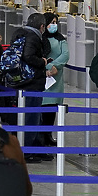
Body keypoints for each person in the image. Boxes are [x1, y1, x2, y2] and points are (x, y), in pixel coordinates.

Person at [10, 12, 52, 161]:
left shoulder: (19, 33)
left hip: (20, 80)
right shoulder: (33, 37)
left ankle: (34, 147)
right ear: (42, 26)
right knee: (31, 117)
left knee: (30, 117)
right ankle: (27, 151)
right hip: (32, 83)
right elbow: (28, 56)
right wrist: (42, 62)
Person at [40, 13, 69, 146]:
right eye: (51, 22)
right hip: (44, 76)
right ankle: (41, 136)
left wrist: (54, 66)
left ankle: (48, 134)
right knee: (43, 108)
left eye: (56, 22)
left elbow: (65, 54)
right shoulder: (41, 39)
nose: (54, 25)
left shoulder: (60, 39)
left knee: (52, 108)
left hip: (56, 79)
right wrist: (48, 67)